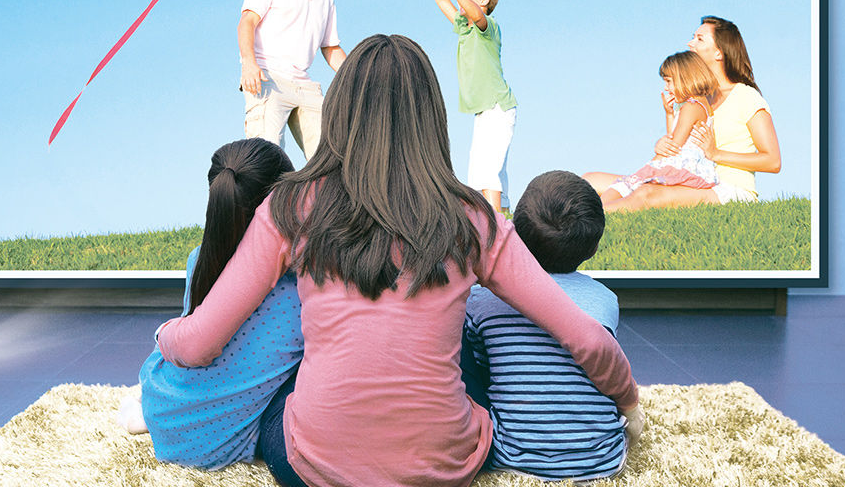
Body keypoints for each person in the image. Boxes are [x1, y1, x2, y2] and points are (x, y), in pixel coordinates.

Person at [156, 35, 641, 487]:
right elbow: (584, 337)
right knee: (473, 348)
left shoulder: (288, 206)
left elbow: (198, 346)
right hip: (443, 466)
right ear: (430, 116)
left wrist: (165, 336)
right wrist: (629, 401)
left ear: (341, 112)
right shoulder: (475, 218)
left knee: (285, 382)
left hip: (316, 467)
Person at [119, 138, 303, 469]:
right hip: (221, 443)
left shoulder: (198, 261)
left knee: (168, 358)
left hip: (165, 411)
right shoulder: (301, 293)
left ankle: (148, 414)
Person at [463, 170, 640, 481]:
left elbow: (477, 367)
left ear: (514, 233)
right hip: (600, 460)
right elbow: (606, 369)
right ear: (593, 248)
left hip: (509, 454)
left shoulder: (481, 300)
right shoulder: (604, 299)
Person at [584, 16, 780, 210]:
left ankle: (593, 221)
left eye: (700, 39)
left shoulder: (746, 96)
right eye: (692, 37)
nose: (690, 43)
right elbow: (677, 147)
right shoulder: (690, 98)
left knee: (645, 193)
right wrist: (663, 140)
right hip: (687, 179)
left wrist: (715, 154)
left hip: (728, 190)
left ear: (719, 53)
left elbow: (773, 161)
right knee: (590, 181)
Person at [238, 0, 347, 161]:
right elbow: (247, 21)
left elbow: (330, 47)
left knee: (332, 158)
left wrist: (357, 75)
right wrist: (248, 63)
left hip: (304, 84)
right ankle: (265, 200)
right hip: (267, 78)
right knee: (265, 160)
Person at [427, 0, 517, 212]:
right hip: (484, 109)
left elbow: (475, 13)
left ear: (485, 0)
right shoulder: (463, 27)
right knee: (481, 171)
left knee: (488, 168)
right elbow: (441, 0)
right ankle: (502, 219)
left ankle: (494, 223)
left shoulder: (487, 26)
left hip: (498, 106)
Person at [601, 51, 720, 212]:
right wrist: (669, 113)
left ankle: (592, 218)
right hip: (684, 164)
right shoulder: (699, 105)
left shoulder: (691, 107)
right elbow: (676, 138)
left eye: (669, 81)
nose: (666, 88)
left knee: (620, 188)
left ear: (684, 78)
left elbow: (673, 144)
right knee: (622, 187)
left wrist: (655, 156)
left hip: (682, 166)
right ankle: (595, 215)